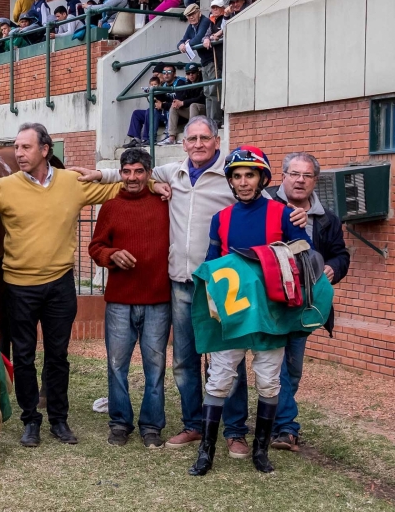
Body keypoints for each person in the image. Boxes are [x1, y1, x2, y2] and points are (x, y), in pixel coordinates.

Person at [71, 116, 309, 459]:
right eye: (191, 138)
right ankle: (194, 423)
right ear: (184, 143)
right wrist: (103, 174)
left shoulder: (231, 175)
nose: (197, 144)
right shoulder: (174, 172)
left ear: (216, 140)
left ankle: (234, 431)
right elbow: (138, 173)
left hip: (227, 286)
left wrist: (294, 212)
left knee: (230, 362)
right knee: (184, 360)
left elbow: (257, 196)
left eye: (204, 138)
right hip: (181, 284)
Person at [0, 123, 122, 448]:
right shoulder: (4, 188)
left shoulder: (71, 183)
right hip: (18, 287)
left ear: (45, 150)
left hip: (60, 286)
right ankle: (30, 420)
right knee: (24, 356)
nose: (18, 153)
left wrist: (109, 175)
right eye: (17, 147)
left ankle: (59, 420)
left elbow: (124, 186)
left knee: (58, 357)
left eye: (25, 147)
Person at [189, 145, 312, 476]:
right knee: (219, 379)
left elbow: (305, 256)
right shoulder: (221, 219)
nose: (243, 182)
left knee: (269, 381)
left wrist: (297, 233)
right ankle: (206, 452)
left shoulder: (285, 214)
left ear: (262, 178)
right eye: (237, 176)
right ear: (231, 181)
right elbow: (211, 265)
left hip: (271, 313)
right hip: (234, 312)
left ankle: (260, 451)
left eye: (250, 175)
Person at [267, 153, 350, 452]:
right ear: (284, 175)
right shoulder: (265, 205)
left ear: (315, 180)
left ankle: (276, 416)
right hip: (270, 302)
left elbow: (341, 255)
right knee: (277, 366)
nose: (300, 180)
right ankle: (286, 427)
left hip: (304, 306)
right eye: (294, 174)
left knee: (293, 367)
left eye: (307, 175)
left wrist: (333, 267)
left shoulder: (327, 218)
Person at [88, 148, 171, 449]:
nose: (132, 177)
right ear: (120, 174)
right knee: (116, 364)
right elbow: (95, 247)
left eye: (139, 171)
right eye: (126, 171)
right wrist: (111, 255)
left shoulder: (164, 204)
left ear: (149, 173)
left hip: (158, 299)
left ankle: (151, 425)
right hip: (120, 300)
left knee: (155, 365)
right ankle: (120, 422)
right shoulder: (110, 207)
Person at [178, 4, 221, 126]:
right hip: (204, 62)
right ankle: (210, 121)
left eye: (192, 14)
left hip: (213, 60)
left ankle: (216, 121)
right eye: (188, 16)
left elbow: (198, 39)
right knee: (207, 92)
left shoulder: (205, 21)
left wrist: (187, 43)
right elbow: (182, 41)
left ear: (198, 12)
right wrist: (182, 44)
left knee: (213, 91)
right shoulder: (191, 26)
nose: (191, 18)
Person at [160, 63, 206, 145]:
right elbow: (183, 99)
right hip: (191, 112)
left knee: (193, 105)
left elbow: (201, 99)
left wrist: (183, 102)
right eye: (188, 73)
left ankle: (190, 136)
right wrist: (177, 102)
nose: (191, 75)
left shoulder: (203, 81)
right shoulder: (187, 83)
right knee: (174, 107)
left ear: (198, 72)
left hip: (203, 110)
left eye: (193, 72)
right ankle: (171, 137)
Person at [123, 73, 163, 148]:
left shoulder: (163, 91)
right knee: (136, 113)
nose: (153, 86)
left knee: (149, 111)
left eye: (155, 84)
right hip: (152, 113)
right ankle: (136, 138)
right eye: (152, 85)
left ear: (159, 85)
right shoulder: (151, 92)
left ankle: (147, 138)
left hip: (161, 114)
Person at [202, 0, 226, 82]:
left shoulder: (226, 17)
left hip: (225, 53)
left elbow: (226, 30)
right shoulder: (210, 21)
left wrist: (217, 35)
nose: (215, 9)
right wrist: (207, 38)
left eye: (217, 7)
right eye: (213, 7)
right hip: (216, 56)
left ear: (223, 8)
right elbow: (205, 35)